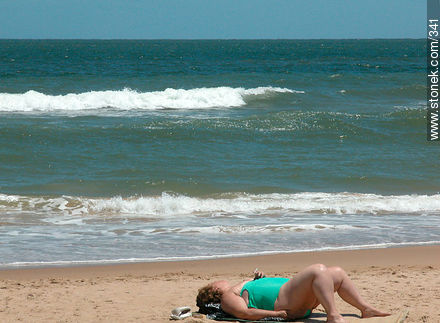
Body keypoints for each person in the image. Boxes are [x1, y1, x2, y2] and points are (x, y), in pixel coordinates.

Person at [196, 264, 390, 323]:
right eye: (213, 282)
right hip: (286, 301)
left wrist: (260, 279)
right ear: (213, 290)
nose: (218, 280)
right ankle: (333, 315)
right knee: (318, 270)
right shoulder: (227, 297)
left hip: (293, 295)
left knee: (337, 272)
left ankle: (365, 309)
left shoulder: (240, 287)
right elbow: (244, 314)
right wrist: (278, 315)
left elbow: (259, 294)